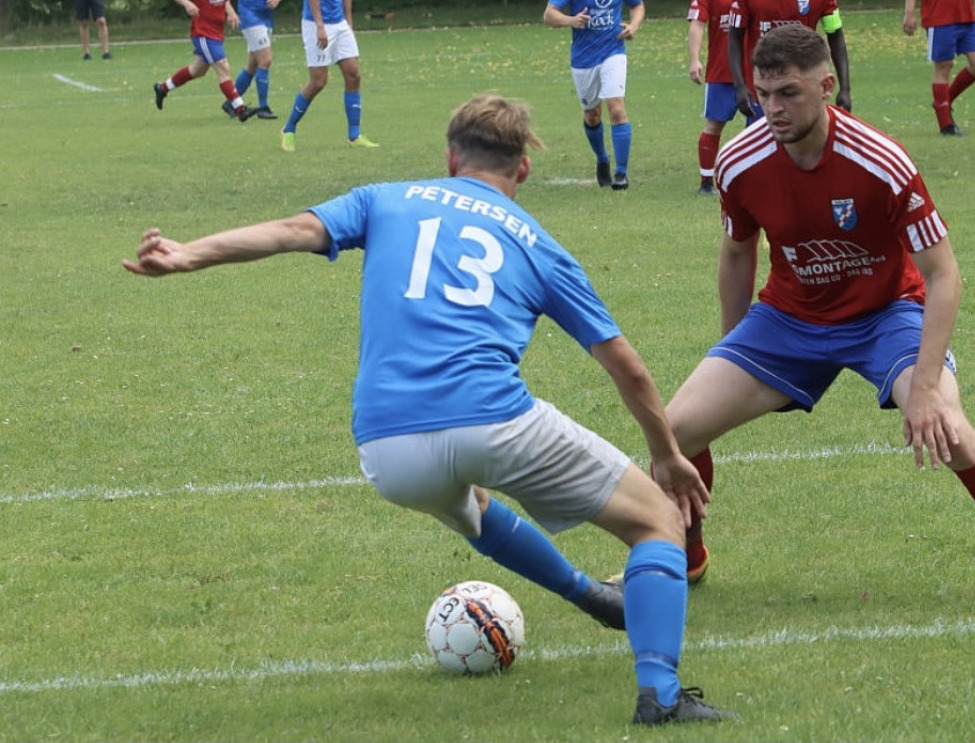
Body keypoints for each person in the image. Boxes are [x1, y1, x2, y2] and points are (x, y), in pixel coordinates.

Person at [122, 94, 736, 726]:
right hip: (494, 421)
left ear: (449, 157)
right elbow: (626, 366)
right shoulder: (538, 244)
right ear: (522, 168)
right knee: (658, 521)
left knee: (473, 508)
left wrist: (190, 252)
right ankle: (660, 696)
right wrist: (666, 454)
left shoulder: (383, 198)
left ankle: (588, 595)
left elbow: (288, 232)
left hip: (388, 450)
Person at [663, 24, 975, 604]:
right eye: (764, 94)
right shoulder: (740, 161)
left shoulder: (881, 160)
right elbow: (738, 252)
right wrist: (733, 348)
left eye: (788, 93)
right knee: (675, 429)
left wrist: (922, 387)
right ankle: (687, 558)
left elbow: (945, 275)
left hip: (887, 314)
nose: (773, 108)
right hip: (789, 318)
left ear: (827, 85)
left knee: (951, 427)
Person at [543, 0, 645, 191]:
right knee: (592, 116)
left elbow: (637, 6)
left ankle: (621, 174)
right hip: (583, 58)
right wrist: (571, 20)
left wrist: (633, 26)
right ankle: (602, 158)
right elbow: (549, 15)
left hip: (614, 51)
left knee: (616, 109)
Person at [279, 0, 378, 151]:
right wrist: (320, 26)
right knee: (318, 82)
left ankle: (355, 135)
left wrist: (349, 24)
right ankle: (288, 129)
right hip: (316, 24)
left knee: (353, 75)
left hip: (340, 23)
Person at [727, 0, 851, 119]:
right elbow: (734, 37)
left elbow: (835, 34)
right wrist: (739, 85)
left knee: (806, 138)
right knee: (765, 138)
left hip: (803, 88)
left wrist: (845, 88)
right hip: (765, 89)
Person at [687, 0, 759, 196]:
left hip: (757, 73)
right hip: (722, 72)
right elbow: (697, 22)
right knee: (713, 125)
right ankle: (706, 182)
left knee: (759, 129)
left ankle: (756, 179)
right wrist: (694, 59)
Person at [152, 0, 260, 121]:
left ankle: (162, 88)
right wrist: (187, 3)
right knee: (222, 67)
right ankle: (240, 109)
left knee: (197, 70)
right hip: (203, 33)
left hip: (215, 33)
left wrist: (231, 12)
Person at [903, 0, 975, 136]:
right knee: (943, 67)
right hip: (939, 18)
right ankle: (946, 126)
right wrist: (909, 13)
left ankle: (944, 101)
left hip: (967, 18)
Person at [223, 0, 282, 120]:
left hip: (266, 16)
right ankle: (263, 108)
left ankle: (231, 102)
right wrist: (230, 12)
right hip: (249, 16)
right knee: (265, 60)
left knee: (252, 65)